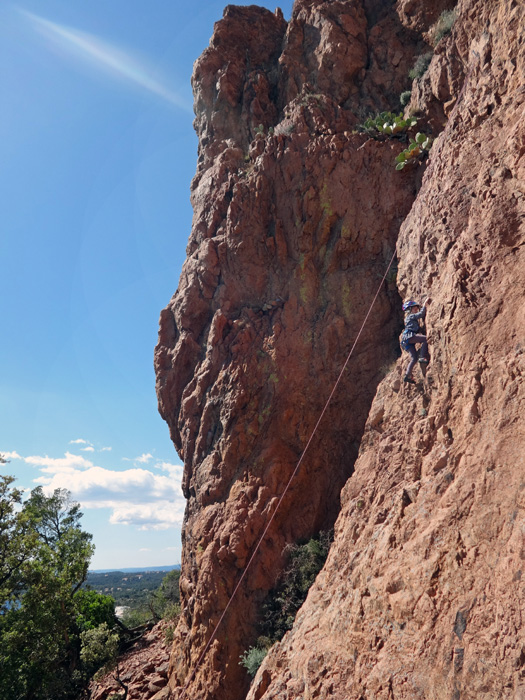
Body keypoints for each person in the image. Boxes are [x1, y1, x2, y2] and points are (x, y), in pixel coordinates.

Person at [400, 298, 430, 384]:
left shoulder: (408, 318)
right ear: (409, 310)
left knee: (414, 358)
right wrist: (424, 305)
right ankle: (422, 356)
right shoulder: (410, 316)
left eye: (416, 308)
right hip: (409, 336)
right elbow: (420, 314)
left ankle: (408, 375)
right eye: (414, 308)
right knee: (425, 339)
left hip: (406, 341)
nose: (416, 309)